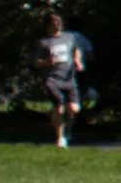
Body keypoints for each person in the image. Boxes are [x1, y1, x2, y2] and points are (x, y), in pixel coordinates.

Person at [36, 13, 91, 147]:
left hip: (69, 78)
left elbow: (77, 49)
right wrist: (46, 62)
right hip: (53, 78)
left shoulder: (69, 37)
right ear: (49, 25)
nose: (58, 24)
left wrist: (78, 60)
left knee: (74, 108)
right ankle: (60, 138)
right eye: (55, 22)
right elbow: (36, 62)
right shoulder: (44, 42)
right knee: (59, 108)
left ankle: (67, 130)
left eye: (59, 22)